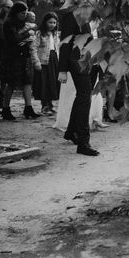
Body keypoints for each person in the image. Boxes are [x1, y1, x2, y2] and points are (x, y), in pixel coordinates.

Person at [57, 10, 100, 156]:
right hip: (76, 61)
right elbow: (65, 42)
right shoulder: (71, 16)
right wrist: (62, 69)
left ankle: (71, 132)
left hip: (88, 61)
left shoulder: (89, 16)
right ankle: (83, 143)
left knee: (82, 97)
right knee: (84, 97)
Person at [0, 1, 41, 120]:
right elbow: (15, 39)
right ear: (16, 13)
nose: (24, 15)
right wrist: (28, 33)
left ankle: (28, 108)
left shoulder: (23, 22)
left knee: (27, 81)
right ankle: (5, 109)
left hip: (24, 55)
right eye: (22, 13)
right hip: (12, 57)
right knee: (11, 82)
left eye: (26, 13)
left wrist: (29, 36)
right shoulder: (8, 23)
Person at [32, 12, 61, 115]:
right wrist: (36, 61)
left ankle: (50, 105)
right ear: (45, 22)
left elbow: (58, 48)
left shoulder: (56, 34)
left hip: (54, 60)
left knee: (52, 83)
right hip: (43, 61)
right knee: (44, 83)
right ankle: (44, 106)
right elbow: (33, 48)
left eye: (54, 22)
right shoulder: (40, 34)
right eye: (50, 22)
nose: (52, 24)